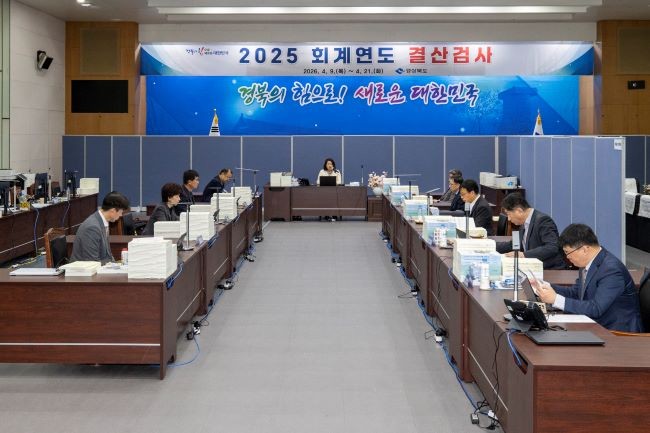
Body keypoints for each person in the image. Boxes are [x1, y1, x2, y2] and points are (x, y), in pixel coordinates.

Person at [534, 223, 642, 332]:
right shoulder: (588, 263)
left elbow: (596, 308)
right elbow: (576, 293)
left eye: (568, 252)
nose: (567, 257)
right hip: (597, 324)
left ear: (585, 249)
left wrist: (556, 299)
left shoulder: (611, 270)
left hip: (616, 332)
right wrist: (546, 286)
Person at [495, 193, 566, 269]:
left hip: (549, 269)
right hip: (532, 267)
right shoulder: (523, 222)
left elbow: (552, 247)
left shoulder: (543, 221)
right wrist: (490, 246)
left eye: (509, 214)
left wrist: (524, 255)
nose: (509, 219)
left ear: (519, 211)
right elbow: (513, 244)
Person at [70, 191, 130, 264]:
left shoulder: (102, 222)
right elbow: (92, 262)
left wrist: (115, 265)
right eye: (121, 212)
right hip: (86, 269)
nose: (121, 215)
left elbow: (108, 255)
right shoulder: (92, 228)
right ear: (113, 210)